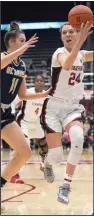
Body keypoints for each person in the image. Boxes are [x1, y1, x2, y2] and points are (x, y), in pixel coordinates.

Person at [41, 21, 93, 204]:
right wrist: (81, 41)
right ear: (62, 36)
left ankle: (65, 187)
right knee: (56, 157)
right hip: (53, 109)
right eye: (65, 33)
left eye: (72, 32)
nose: (68, 35)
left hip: (72, 107)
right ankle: (46, 162)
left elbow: (85, 55)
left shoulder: (83, 54)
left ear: (78, 33)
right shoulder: (59, 53)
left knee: (78, 138)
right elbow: (67, 66)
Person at [1, 21, 49, 212]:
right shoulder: (4, 56)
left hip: (5, 114)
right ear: (12, 42)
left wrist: (45, 93)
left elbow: (23, 95)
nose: (25, 44)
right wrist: (21, 50)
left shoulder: (21, 66)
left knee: (25, 152)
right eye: (22, 41)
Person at [10, 75, 48, 183]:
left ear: (44, 83)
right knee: (23, 147)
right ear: (34, 82)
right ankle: (14, 174)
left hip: (35, 123)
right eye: (37, 80)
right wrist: (12, 112)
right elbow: (13, 101)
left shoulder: (45, 96)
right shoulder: (27, 92)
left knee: (44, 145)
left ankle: (44, 166)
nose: (39, 82)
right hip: (23, 122)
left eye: (41, 81)